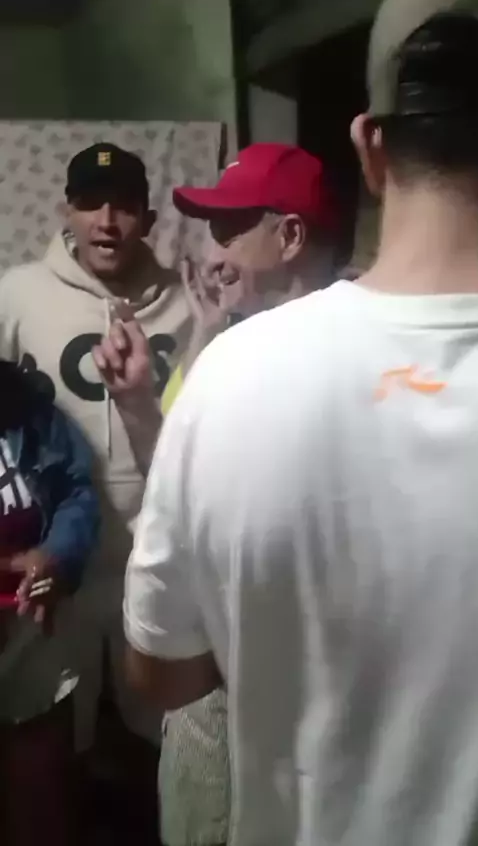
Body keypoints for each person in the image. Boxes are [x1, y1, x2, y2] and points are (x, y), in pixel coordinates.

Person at [124, 0, 478, 846]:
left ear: (370, 147)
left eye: (229, 226)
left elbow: (162, 672)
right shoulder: (221, 362)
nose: (212, 249)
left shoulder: (231, 380)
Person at [96, 143, 340, 846]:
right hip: (212, 689)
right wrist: (138, 401)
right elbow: (171, 484)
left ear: (290, 236)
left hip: (301, 687)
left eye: (231, 230)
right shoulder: (223, 346)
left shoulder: (352, 354)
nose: (213, 253)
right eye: (211, 231)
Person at [0, 143, 194, 833]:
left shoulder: (188, 302)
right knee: (55, 744)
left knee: (161, 738)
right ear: (66, 211)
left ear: (148, 218)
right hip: (55, 568)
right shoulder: (17, 293)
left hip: (156, 557)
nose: (106, 222)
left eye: (123, 207)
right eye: (89, 204)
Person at [0, 359, 99, 846]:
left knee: (41, 795)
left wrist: (55, 555)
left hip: (29, 630)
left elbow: (76, 492)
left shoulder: (29, 409)